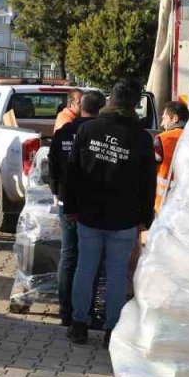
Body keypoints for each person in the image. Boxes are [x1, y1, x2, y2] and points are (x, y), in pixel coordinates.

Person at [61, 79, 157, 347]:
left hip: (89, 215)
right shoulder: (140, 137)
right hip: (124, 219)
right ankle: (111, 331)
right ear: (136, 104)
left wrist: (70, 207)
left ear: (110, 100)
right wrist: (144, 218)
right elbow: (148, 181)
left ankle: (79, 325)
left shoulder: (87, 129)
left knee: (85, 269)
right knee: (116, 274)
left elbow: (73, 173)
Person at [47, 89, 106, 326]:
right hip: (91, 204)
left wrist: (56, 191)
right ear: (100, 109)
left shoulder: (64, 133)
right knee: (89, 259)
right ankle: (86, 311)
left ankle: (66, 310)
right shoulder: (101, 135)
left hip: (65, 201)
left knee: (69, 255)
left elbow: (51, 165)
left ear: (80, 106)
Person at [153, 100, 189, 212]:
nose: (162, 124)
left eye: (164, 118)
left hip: (164, 204)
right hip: (187, 203)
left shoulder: (162, 139)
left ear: (174, 119)